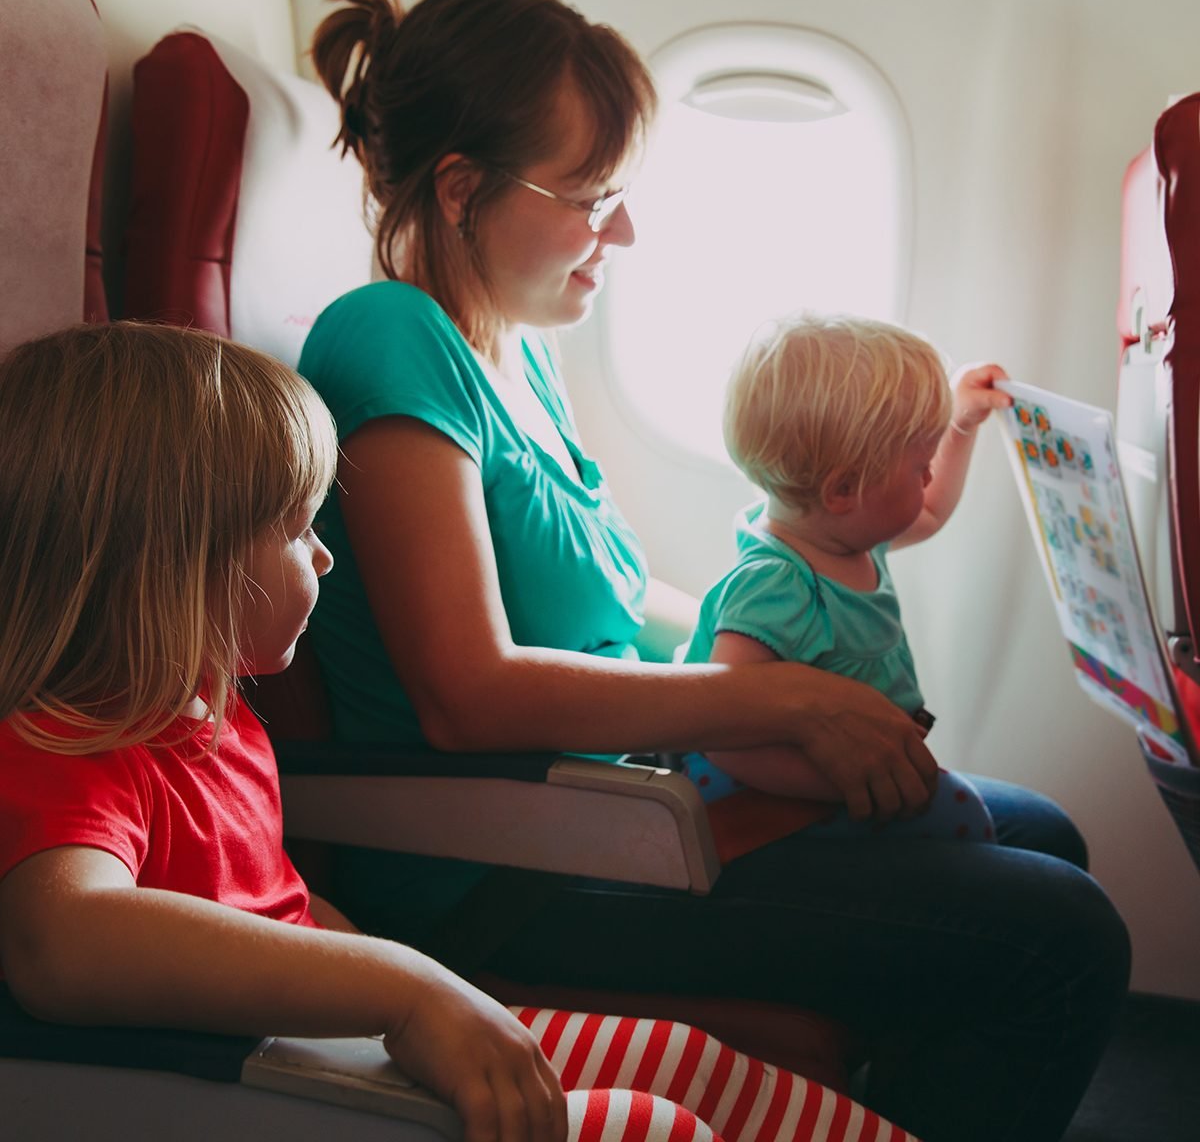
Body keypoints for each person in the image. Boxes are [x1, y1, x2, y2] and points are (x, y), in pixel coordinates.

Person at [300, 0, 1131, 1142]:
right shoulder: (389, 339)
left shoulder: (518, 356)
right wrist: (780, 696)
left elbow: (624, 607)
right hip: (509, 859)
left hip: (623, 799)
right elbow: (464, 692)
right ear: (459, 190)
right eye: (592, 198)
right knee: (1063, 936)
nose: (623, 232)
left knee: (1045, 837)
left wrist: (786, 653)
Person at [0, 321, 917, 1142]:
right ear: (175, 565)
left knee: (700, 1064)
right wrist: (403, 988)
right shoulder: (64, 749)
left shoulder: (220, 724)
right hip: (249, 1088)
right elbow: (61, 941)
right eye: (295, 529)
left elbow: (281, 914)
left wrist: (412, 987)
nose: (324, 554)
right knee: (655, 1123)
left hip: (317, 1055)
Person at [679, 314, 1005, 844]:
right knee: (962, 815)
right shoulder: (777, 585)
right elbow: (719, 729)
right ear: (843, 491)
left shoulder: (846, 533)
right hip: (770, 800)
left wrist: (961, 424)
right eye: (919, 463)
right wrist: (836, 784)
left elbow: (931, 512)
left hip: (841, 776)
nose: (928, 476)